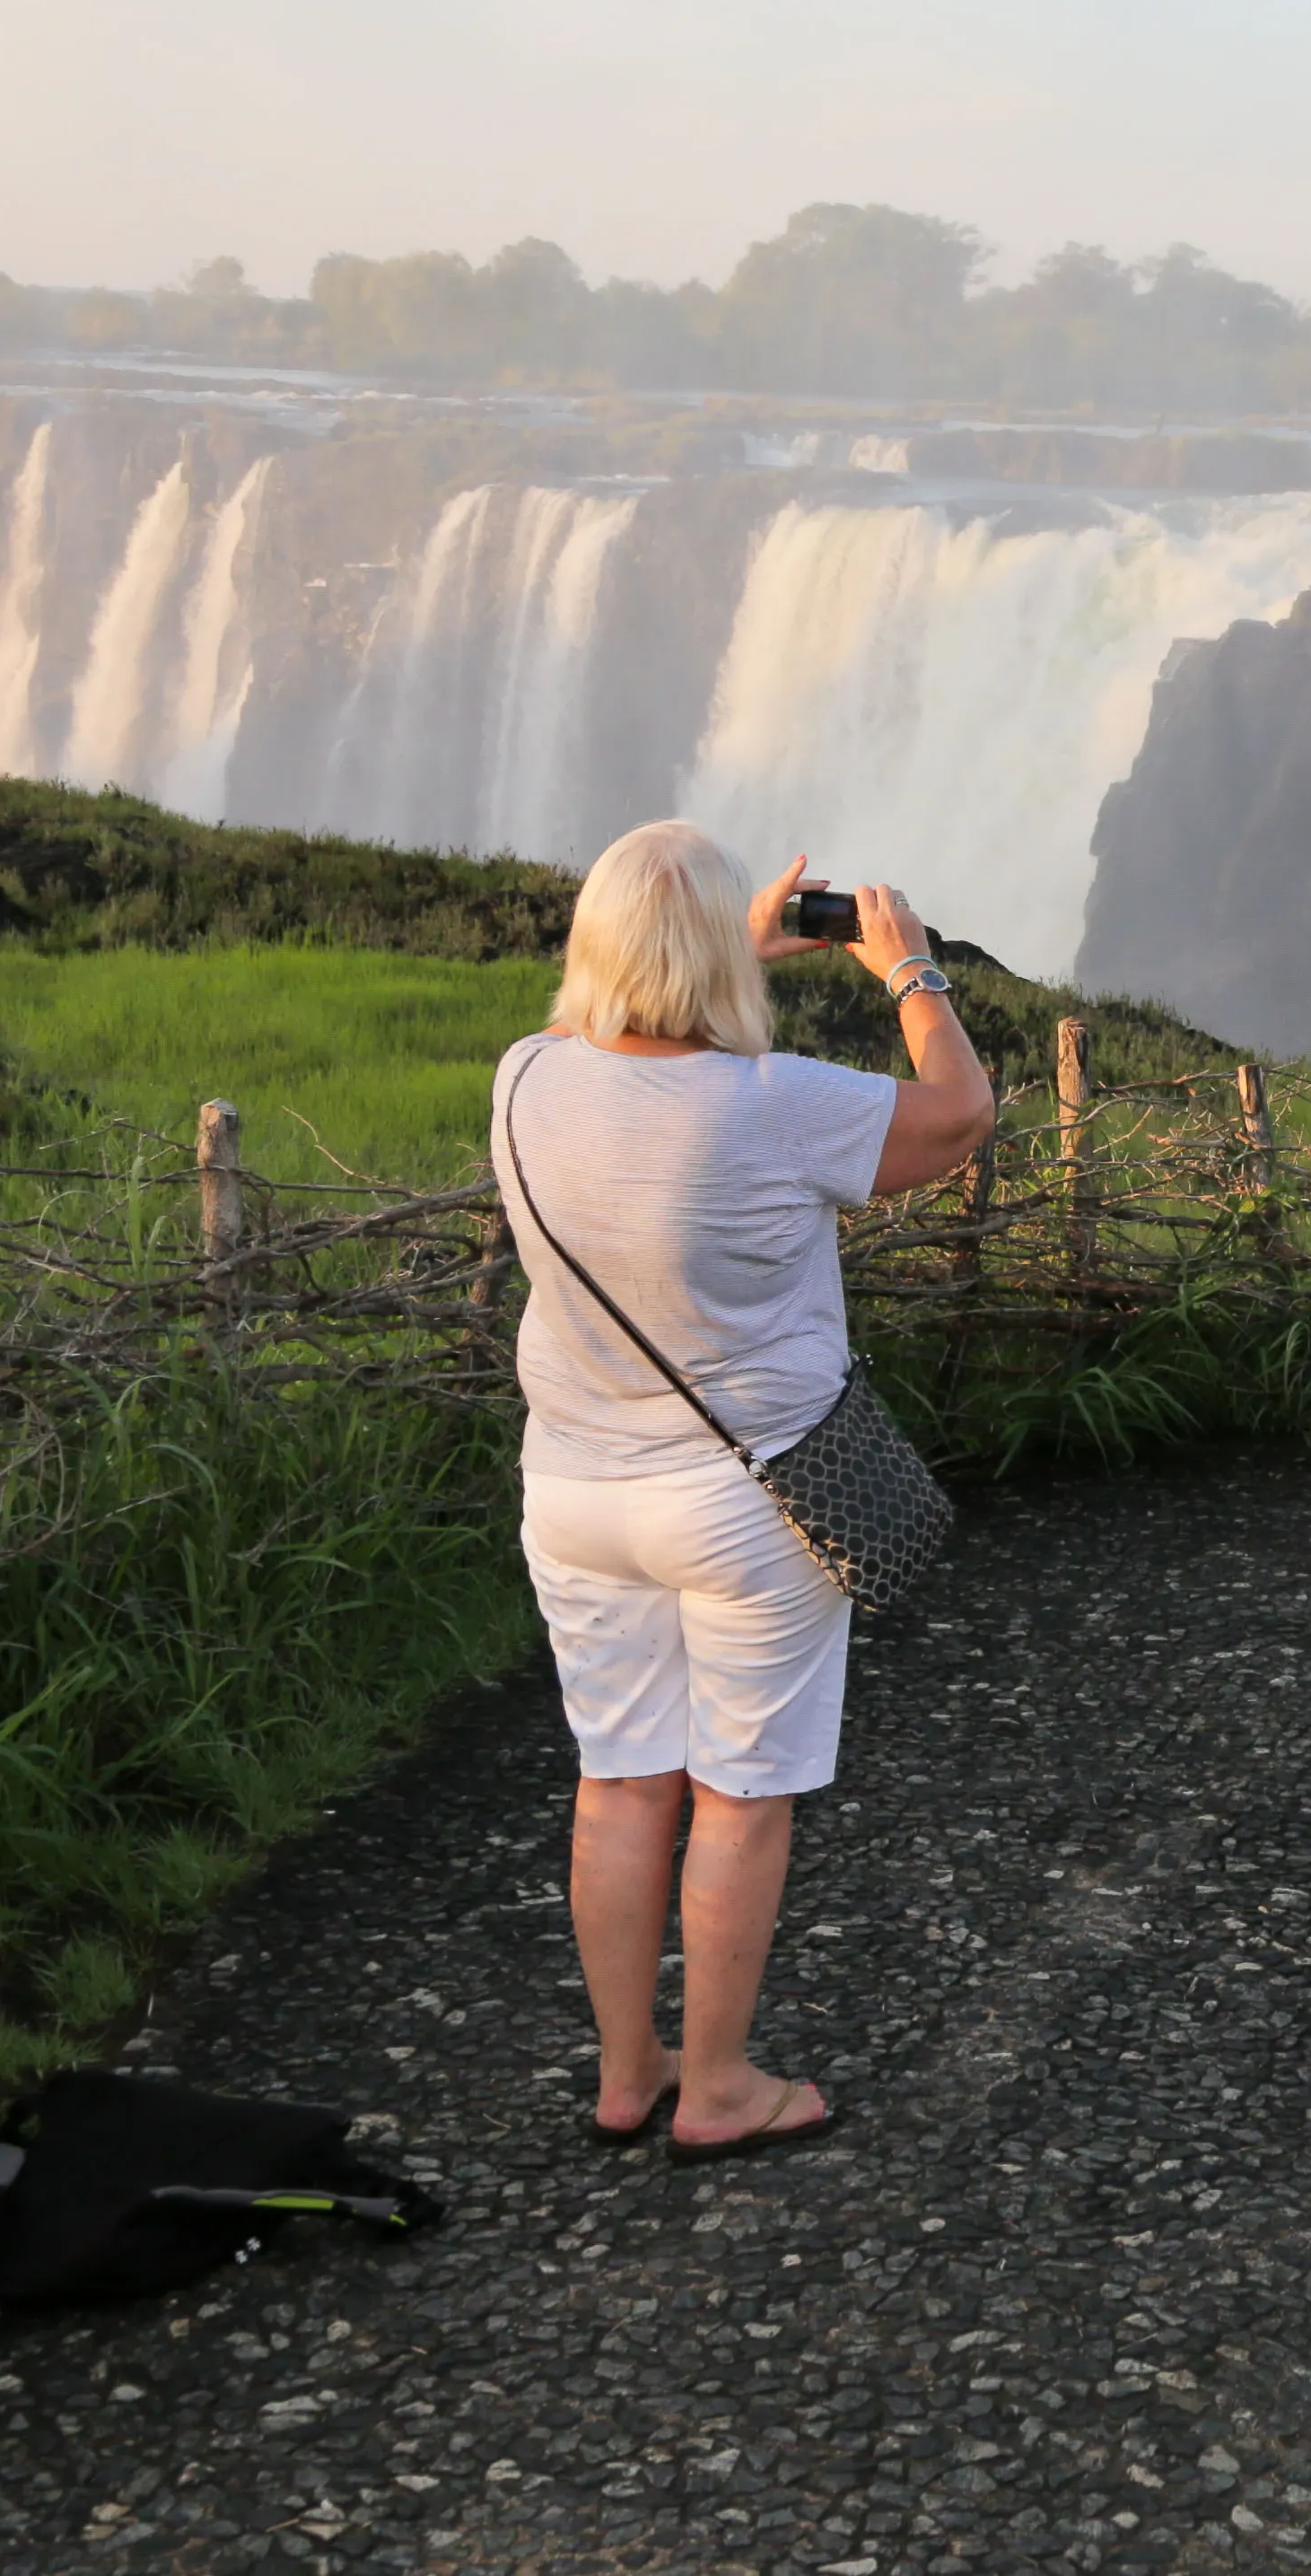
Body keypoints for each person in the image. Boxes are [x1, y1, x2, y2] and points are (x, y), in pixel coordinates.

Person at [491, 819, 993, 2161]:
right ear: (710, 951)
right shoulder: (774, 1102)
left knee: (617, 1785)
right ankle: (717, 2086)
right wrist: (910, 974)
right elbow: (960, 1116)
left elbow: (617, 1036)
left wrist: (719, 943)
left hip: (576, 1497)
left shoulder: (525, 1078)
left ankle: (626, 2072)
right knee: (739, 1795)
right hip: (748, 1505)